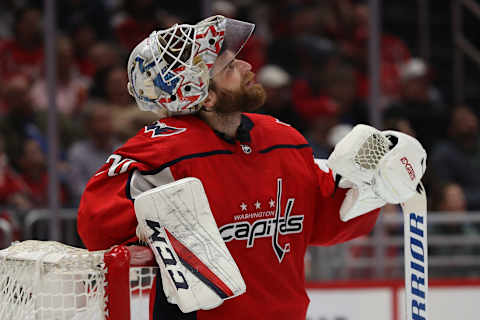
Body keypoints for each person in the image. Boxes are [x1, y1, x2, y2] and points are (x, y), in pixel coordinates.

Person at [78, 15, 426, 320]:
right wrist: (145, 223)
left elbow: (323, 222)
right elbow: (96, 224)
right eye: (229, 68)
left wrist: (369, 186)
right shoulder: (161, 152)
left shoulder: (282, 138)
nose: (247, 68)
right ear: (206, 95)